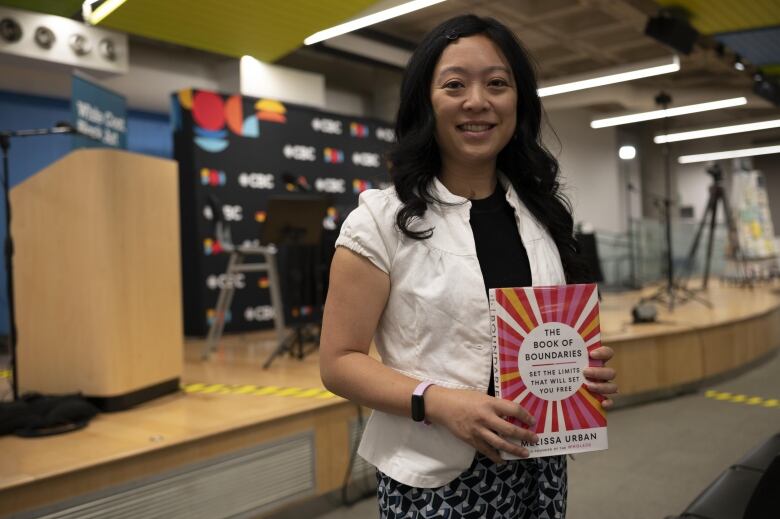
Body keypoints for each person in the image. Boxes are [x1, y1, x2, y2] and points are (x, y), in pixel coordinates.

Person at [320, 14, 618, 519]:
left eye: (497, 84)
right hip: (435, 478)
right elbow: (339, 362)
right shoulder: (380, 218)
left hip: (537, 463)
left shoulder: (542, 215)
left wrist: (582, 372)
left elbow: (547, 333)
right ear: (426, 102)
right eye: (454, 84)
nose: (477, 101)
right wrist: (439, 402)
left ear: (518, 101)